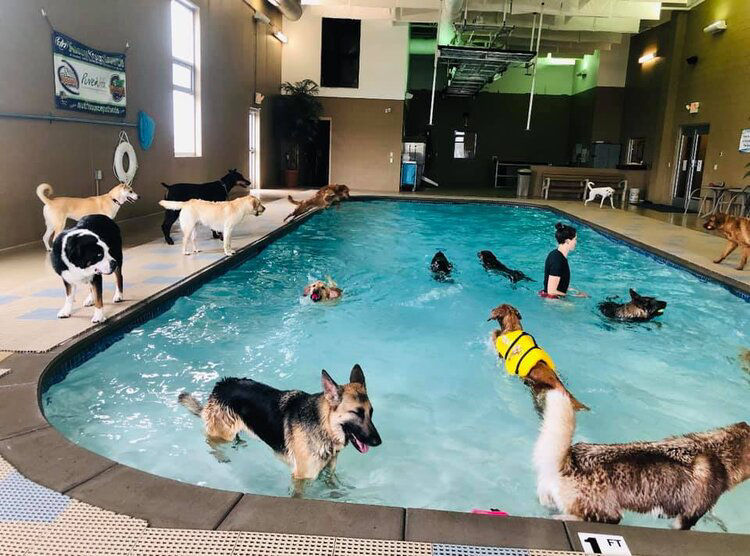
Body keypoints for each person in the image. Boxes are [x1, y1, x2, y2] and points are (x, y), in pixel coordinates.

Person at [542, 223, 588, 298]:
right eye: (575, 239)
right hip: (554, 301)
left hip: (555, 297)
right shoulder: (557, 261)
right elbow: (551, 291)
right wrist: (575, 296)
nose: (576, 242)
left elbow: (561, 281)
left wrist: (574, 291)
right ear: (567, 241)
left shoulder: (557, 254)